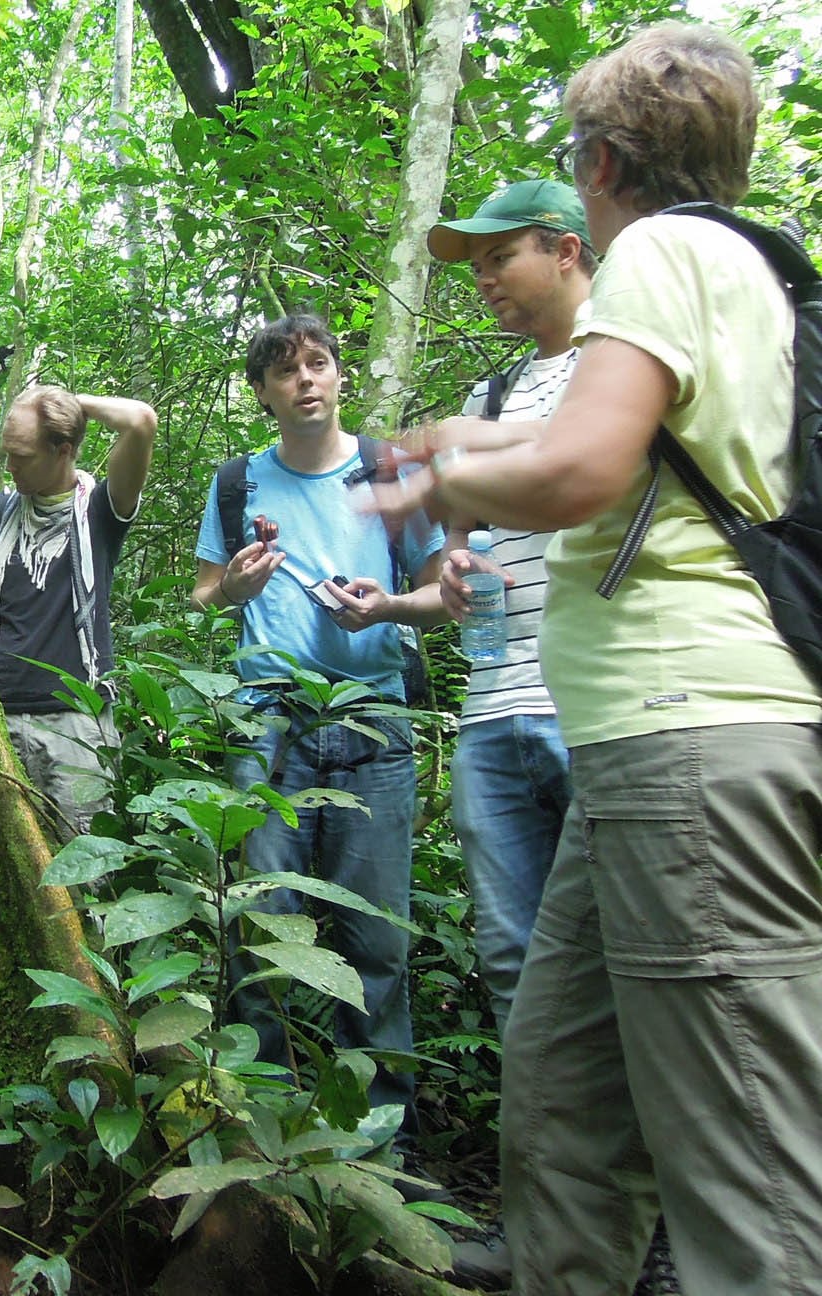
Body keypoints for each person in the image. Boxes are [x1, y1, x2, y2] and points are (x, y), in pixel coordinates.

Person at [362, 24, 822, 1294]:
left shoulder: (665, 250)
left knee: (754, 1176)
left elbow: (582, 466)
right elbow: (602, 440)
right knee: (564, 1107)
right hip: (637, 753)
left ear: (606, 162)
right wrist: (465, 443)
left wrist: (438, 485)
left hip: (693, 736)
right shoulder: (743, 269)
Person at [192, 314, 445, 1118]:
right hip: (269, 721)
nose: (306, 379)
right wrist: (237, 586)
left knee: (377, 942)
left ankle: (380, 1140)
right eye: (286, 371)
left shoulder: (384, 472)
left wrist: (388, 608)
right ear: (263, 393)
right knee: (263, 932)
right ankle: (266, 1131)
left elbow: (446, 593)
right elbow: (205, 594)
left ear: (339, 376)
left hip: (373, 721)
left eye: (319, 363)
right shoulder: (238, 483)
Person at [423, 179, 596, 1034]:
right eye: (478, 265)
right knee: (513, 955)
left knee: (628, 954)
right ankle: (556, 1162)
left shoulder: (621, 368)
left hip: (597, 707)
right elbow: (464, 548)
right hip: (495, 711)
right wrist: (459, 578)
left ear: (566, 250)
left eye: (501, 257)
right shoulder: (491, 398)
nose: (484, 278)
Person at [0, 386, 157, 837]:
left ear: (63, 450)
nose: (10, 466)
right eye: (7, 453)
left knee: (86, 871)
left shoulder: (102, 511)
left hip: (78, 724)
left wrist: (68, 403)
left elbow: (141, 420)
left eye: (22, 455)